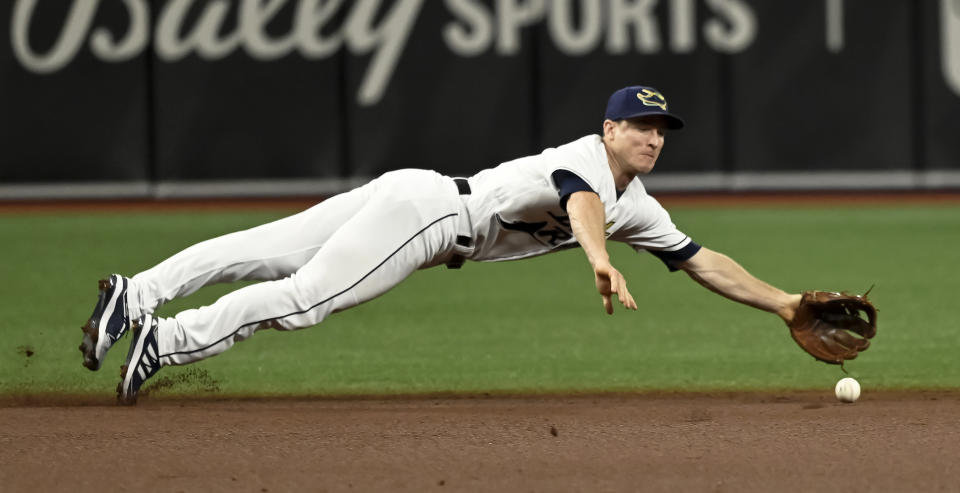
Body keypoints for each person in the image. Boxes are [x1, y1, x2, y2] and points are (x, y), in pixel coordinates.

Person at [80, 85, 803, 405]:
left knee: (262, 250)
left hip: (417, 193)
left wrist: (784, 303)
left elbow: (699, 258)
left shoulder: (638, 203)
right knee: (303, 297)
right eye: (639, 125)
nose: (651, 137)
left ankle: (132, 294)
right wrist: (600, 257)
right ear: (609, 129)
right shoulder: (589, 161)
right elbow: (580, 202)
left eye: (660, 129)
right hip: (431, 218)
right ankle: (162, 336)